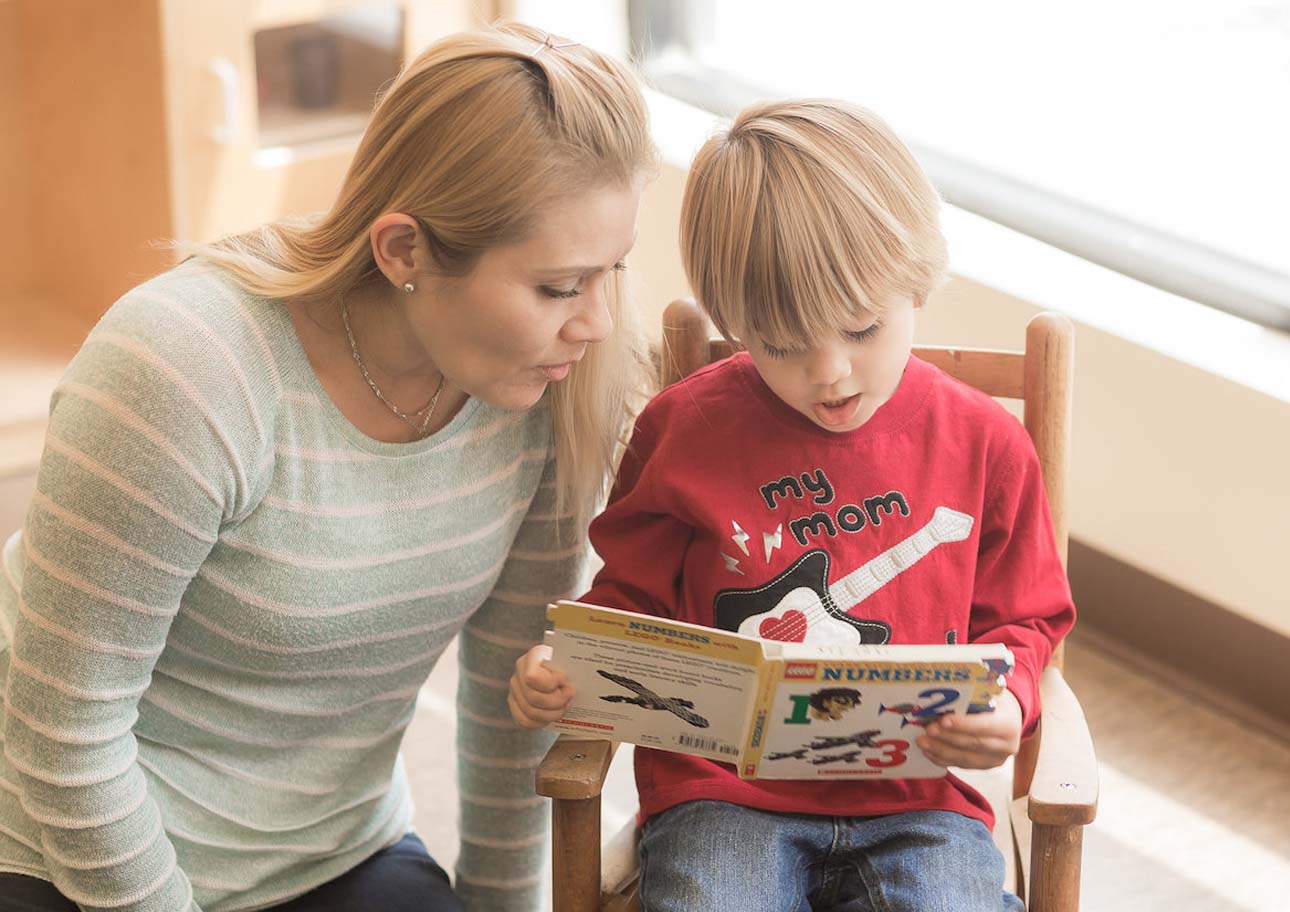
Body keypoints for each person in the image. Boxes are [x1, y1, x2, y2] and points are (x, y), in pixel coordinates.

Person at [0, 21, 654, 912]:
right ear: (403, 251)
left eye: (609, 272)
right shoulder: (183, 371)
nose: (597, 323)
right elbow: (63, 732)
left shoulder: (539, 388)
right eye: (558, 287)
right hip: (63, 845)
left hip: (334, 850)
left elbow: (514, 697)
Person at [508, 99, 1076, 911]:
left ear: (917, 280)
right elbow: (629, 601)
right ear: (736, 322)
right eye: (780, 344)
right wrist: (566, 670)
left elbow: (1026, 621)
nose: (831, 373)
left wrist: (1009, 703)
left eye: (862, 328)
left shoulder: (983, 442)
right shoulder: (685, 429)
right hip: (720, 795)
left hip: (914, 798)